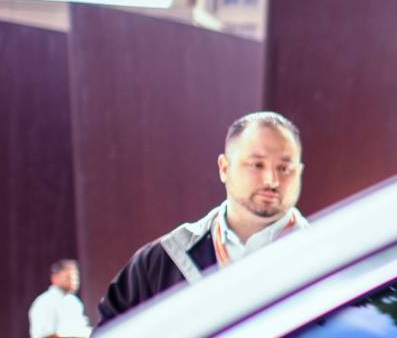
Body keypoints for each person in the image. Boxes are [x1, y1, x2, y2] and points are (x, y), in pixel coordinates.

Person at [98, 111, 308, 323]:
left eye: (284, 168)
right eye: (257, 164)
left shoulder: (324, 258)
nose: (271, 180)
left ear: (299, 172)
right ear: (224, 168)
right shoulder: (162, 261)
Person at [29, 258, 92, 338]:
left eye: (75, 278)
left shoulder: (74, 302)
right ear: (55, 278)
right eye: (68, 277)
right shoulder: (45, 301)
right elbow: (44, 335)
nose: (73, 281)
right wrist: (75, 335)